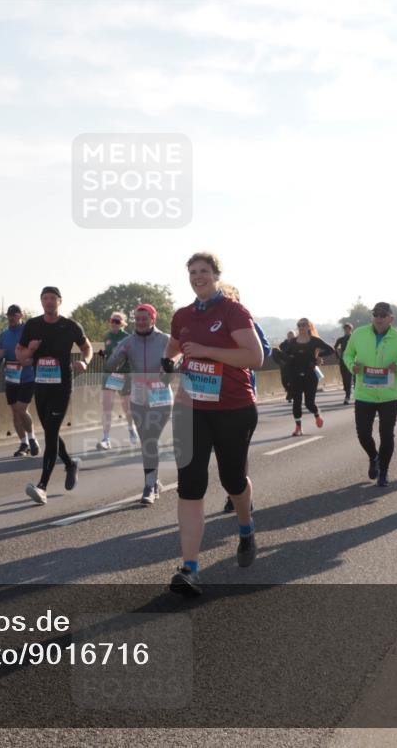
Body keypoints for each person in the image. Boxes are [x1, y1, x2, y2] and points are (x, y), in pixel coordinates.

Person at [164, 253, 263, 596]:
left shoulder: (233, 311)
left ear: (216, 275)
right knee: (190, 483)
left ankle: (246, 527)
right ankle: (189, 568)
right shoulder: (183, 315)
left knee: (232, 479)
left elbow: (254, 357)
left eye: (204, 271)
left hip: (234, 408)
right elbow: (174, 349)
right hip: (191, 408)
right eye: (192, 272)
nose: (197, 276)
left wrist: (207, 350)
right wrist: (167, 361)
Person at [17, 287, 93, 505]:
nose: (49, 302)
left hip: (62, 386)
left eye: (53, 298)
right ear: (41, 302)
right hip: (40, 385)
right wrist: (30, 352)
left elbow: (86, 347)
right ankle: (70, 464)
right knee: (50, 430)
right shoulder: (32, 325)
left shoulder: (70, 326)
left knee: (51, 432)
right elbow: (21, 356)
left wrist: (85, 361)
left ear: (60, 301)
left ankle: (42, 487)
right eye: (45, 298)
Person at [104, 304, 171, 505]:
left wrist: (170, 366)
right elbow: (109, 365)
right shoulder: (128, 341)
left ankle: (149, 486)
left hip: (160, 396)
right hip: (139, 396)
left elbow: (177, 363)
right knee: (147, 441)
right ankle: (153, 481)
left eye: (145, 318)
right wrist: (118, 353)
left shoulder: (165, 340)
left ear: (153, 319)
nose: (141, 322)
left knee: (151, 439)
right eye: (138, 318)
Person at [343, 303, 397, 487]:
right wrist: (352, 366)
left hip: (388, 396)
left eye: (383, 315)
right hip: (364, 394)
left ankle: (383, 471)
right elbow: (347, 355)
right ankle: (373, 456)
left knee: (386, 434)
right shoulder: (359, 334)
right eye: (376, 314)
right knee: (363, 433)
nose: (379, 318)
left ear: (391, 318)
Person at [220, 284, 270, 514]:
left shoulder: (247, 321)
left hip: (242, 390)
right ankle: (235, 491)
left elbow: (265, 352)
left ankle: (238, 495)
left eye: (229, 298)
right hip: (212, 393)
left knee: (238, 450)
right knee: (222, 449)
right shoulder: (208, 322)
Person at [273, 318, 335, 436]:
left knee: (309, 403)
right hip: (295, 375)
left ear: (309, 327)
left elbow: (330, 350)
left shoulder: (315, 341)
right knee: (297, 401)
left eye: (304, 325)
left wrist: (318, 356)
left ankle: (316, 414)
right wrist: (279, 356)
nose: (301, 327)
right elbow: (284, 355)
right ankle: (298, 428)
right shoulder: (292, 342)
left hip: (310, 375)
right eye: (299, 325)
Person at [0, 305, 39, 457]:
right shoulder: (4, 335)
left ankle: (33, 438)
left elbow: (38, 352)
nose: (11, 317)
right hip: (11, 378)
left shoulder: (28, 331)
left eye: (14, 315)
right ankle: (24, 443)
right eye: (9, 315)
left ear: (21, 315)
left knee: (21, 409)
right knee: (15, 412)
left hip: (27, 377)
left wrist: (30, 361)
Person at [96, 311, 137, 449]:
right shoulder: (107, 336)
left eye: (117, 321)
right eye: (112, 320)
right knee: (107, 407)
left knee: (127, 407)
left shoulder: (128, 338)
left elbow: (132, 357)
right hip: (109, 374)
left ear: (123, 324)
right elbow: (109, 353)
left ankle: (131, 428)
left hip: (124, 375)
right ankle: (105, 439)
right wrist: (104, 354)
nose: (114, 323)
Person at [333, 323, 355, 405]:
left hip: (352, 360)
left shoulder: (354, 338)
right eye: (345, 328)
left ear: (351, 329)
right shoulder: (341, 339)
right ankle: (347, 390)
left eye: (348, 328)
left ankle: (347, 397)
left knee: (349, 378)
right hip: (343, 361)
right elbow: (334, 347)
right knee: (344, 378)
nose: (346, 330)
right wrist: (338, 357)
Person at [278, 330, 295, 402]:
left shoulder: (297, 343)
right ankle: (289, 392)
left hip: (293, 365)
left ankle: (290, 394)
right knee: (284, 381)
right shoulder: (283, 344)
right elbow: (281, 350)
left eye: (292, 335)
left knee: (292, 381)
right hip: (284, 365)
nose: (290, 337)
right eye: (289, 336)